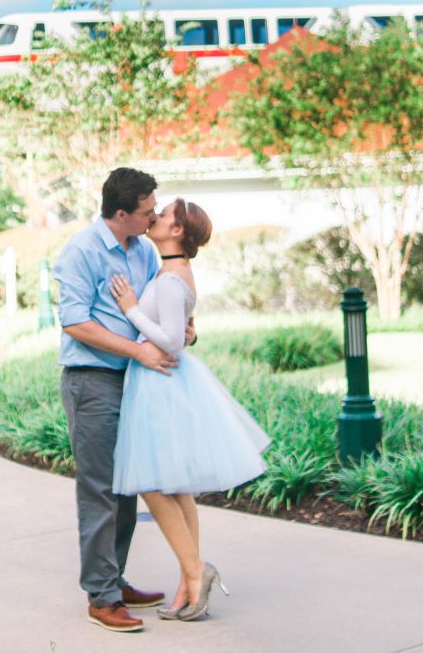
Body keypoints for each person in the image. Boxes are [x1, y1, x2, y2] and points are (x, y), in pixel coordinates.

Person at [110, 198, 270, 622]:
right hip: (165, 381)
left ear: (177, 231)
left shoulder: (168, 277)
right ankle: (188, 582)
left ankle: (197, 571)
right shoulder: (177, 272)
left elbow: (171, 340)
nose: (155, 217)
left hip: (159, 382)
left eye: (162, 216)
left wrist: (129, 310)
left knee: (151, 481)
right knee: (175, 485)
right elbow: (182, 330)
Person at [55, 167, 192, 634]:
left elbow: (156, 306)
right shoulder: (82, 251)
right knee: (99, 489)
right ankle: (102, 596)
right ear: (120, 214)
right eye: (146, 211)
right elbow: (74, 322)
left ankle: (113, 579)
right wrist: (138, 349)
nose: (153, 215)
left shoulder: (145, 250)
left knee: (127, 486)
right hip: (92, 382)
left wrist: (182, 332)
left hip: (135, 382)